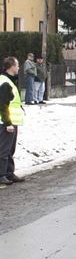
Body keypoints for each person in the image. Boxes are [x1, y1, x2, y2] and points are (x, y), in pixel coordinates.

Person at [0, 57, 25, 185]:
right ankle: (2, 175)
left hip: (12, 121)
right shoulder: (5, 82)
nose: (19, 68)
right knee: (4, 150)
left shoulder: (9, 80)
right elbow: (3, 104)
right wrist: (8, 123)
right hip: (6, 122)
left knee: (10, 149)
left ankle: (9, 173)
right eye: (17, 65)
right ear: (11, 66)